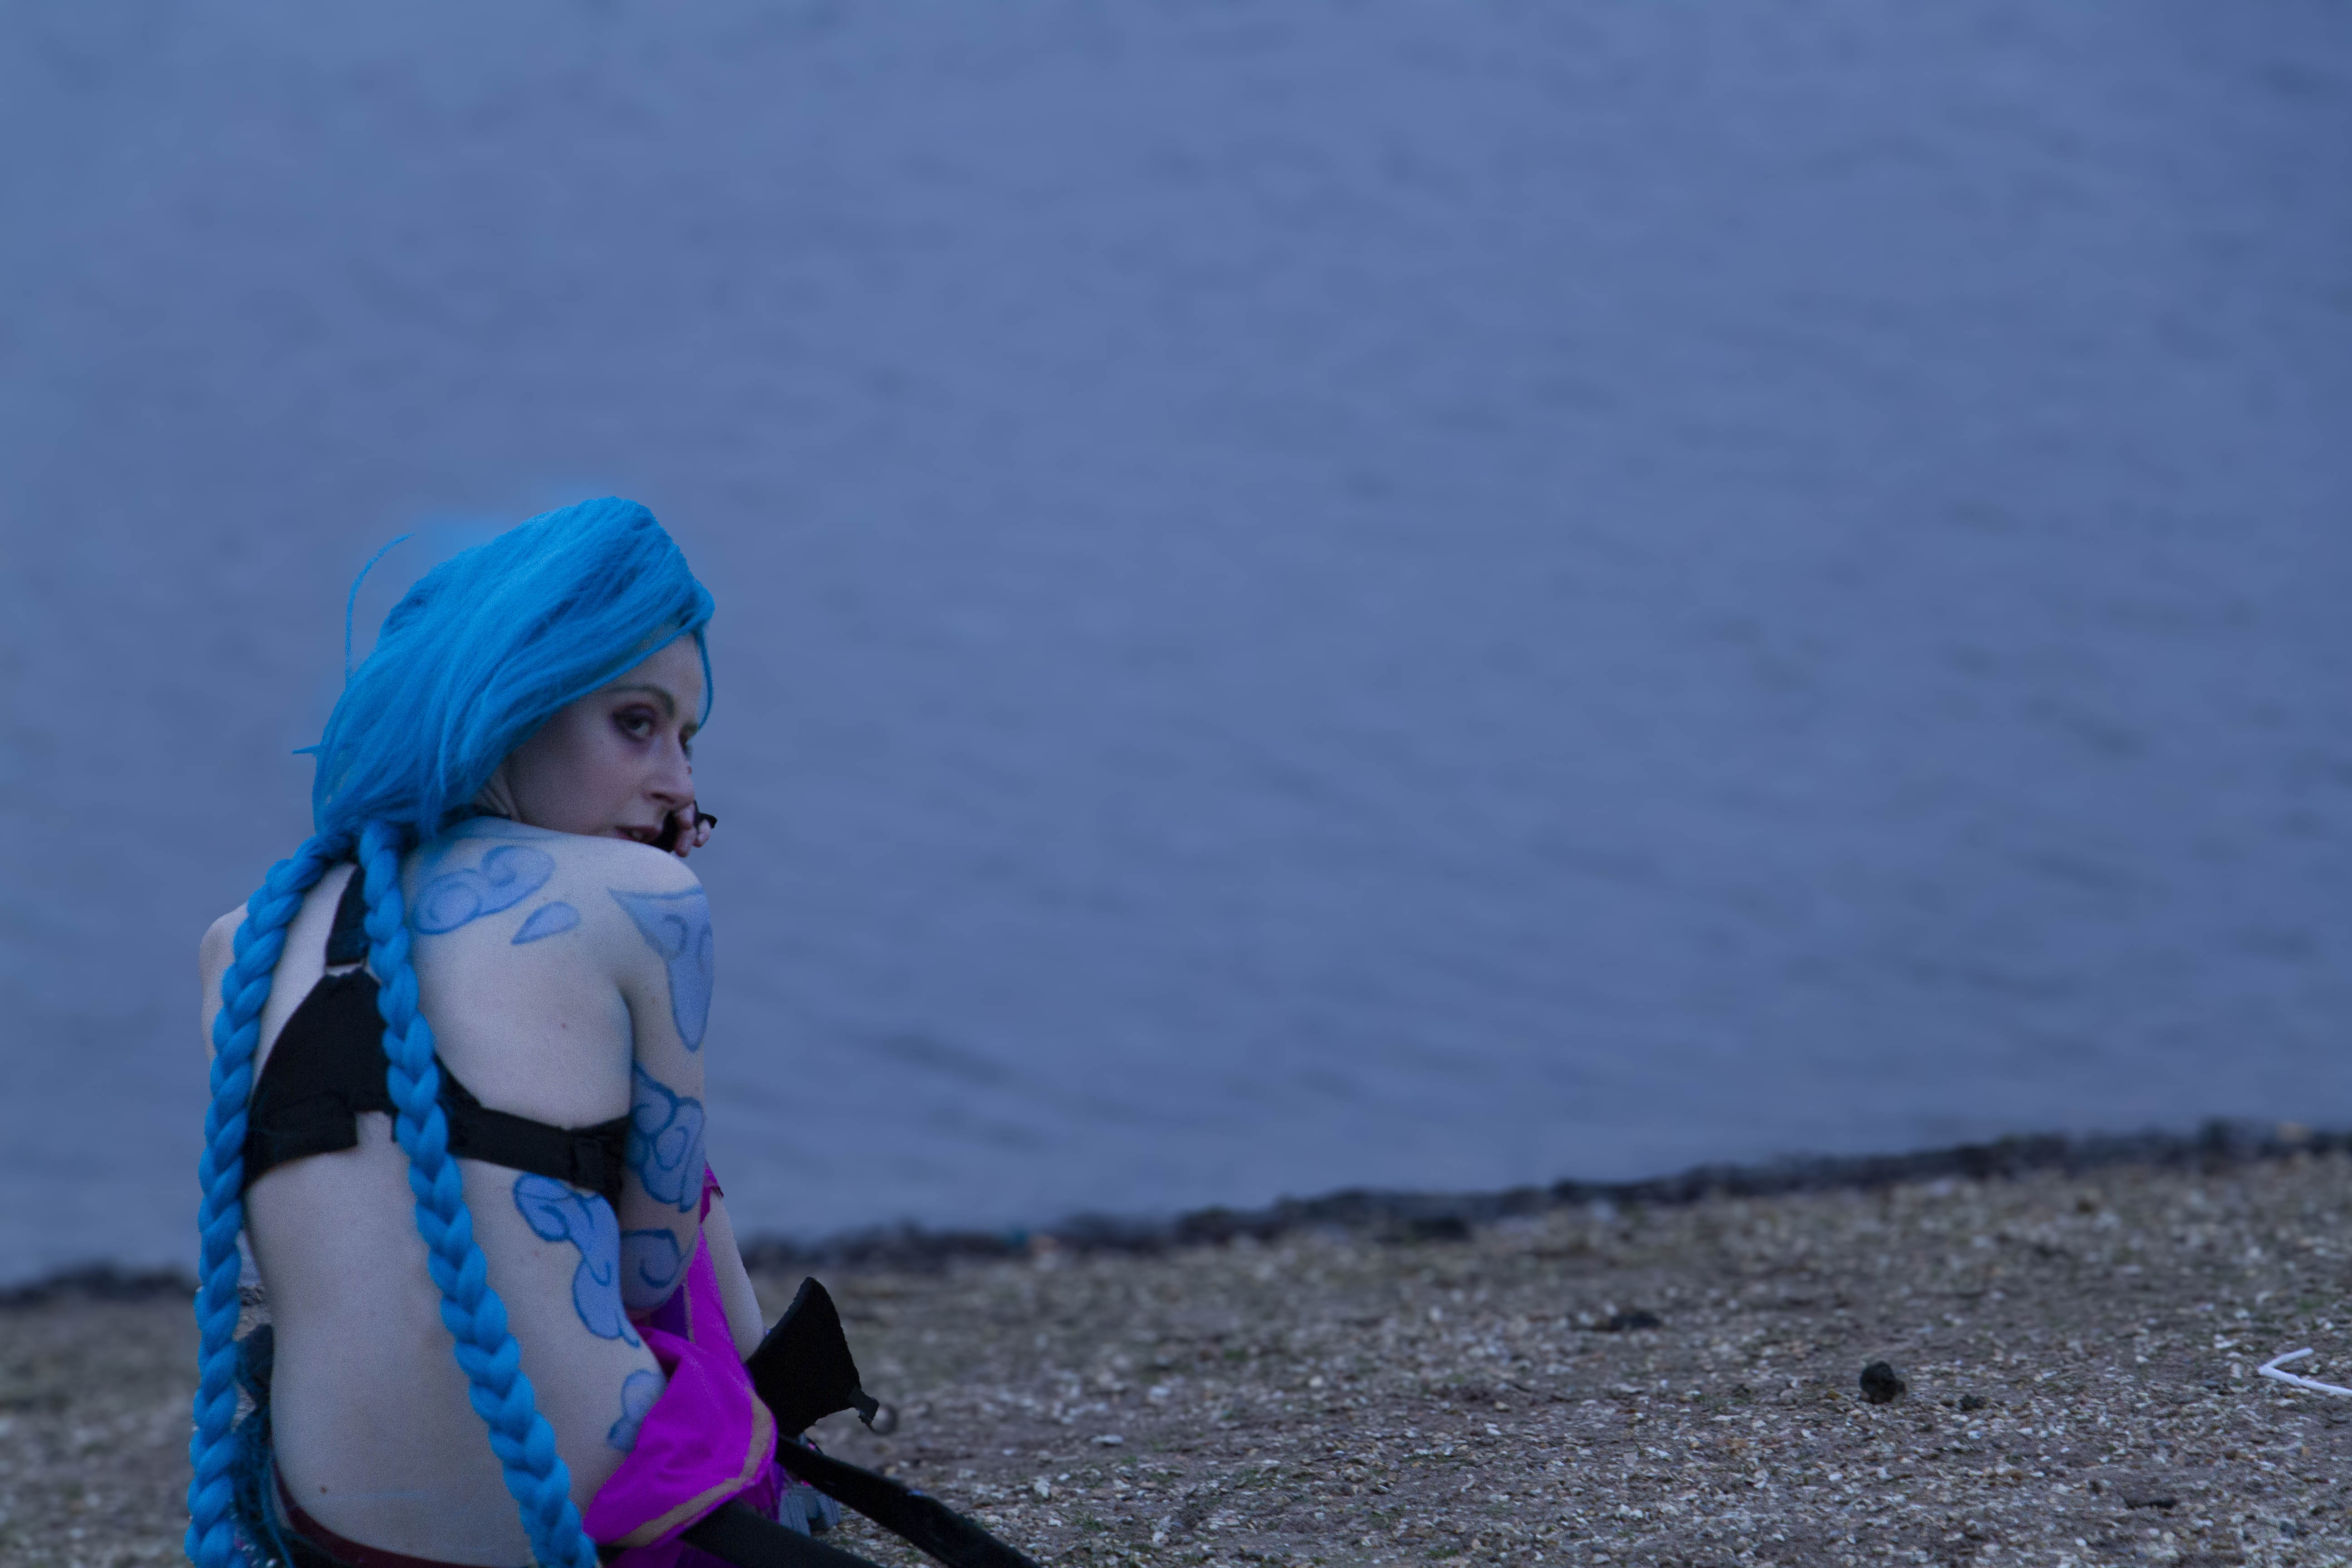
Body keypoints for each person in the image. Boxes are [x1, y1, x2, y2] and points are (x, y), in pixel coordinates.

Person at [190, 499, 820, 1568]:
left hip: (342, 1535)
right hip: (575, 1523)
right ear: (516, 702)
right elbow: (650, 1277)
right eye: (638, 722)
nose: (680, 784)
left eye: (686, 740)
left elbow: (291, 1268)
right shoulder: (644, 895)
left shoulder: (239, 940)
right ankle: (794, 1472)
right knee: (678, 1194)